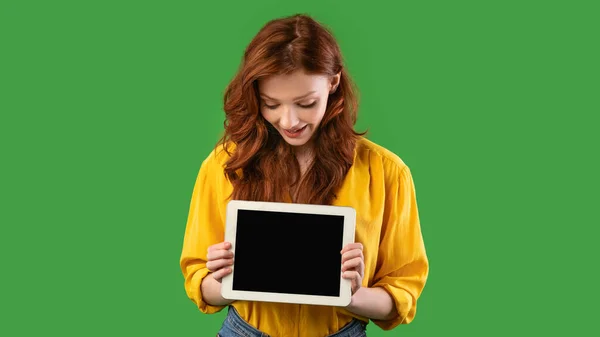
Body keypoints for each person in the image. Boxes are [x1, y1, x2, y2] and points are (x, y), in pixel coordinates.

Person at [179, 13, 429, 337]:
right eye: (271, 104)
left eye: (306, 103)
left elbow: (402, 294)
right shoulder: (225, 164)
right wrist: (224, 280)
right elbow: (200, 281)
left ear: (334, 82)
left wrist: (353, 294)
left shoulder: (387, 173)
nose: (288, 121)